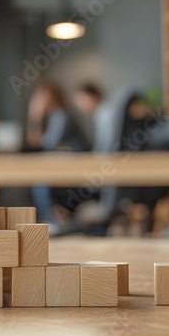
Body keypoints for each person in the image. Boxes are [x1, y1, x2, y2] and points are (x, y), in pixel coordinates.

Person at [26, 81, 103, 233]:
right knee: (40, 179)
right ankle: (55, 220)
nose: (37, 101)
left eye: (40, 97)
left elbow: (47, 142)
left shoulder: (60, 115)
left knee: (40, 181)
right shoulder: (58, 115)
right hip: (74, 166)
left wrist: (34, 117)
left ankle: (53, 220)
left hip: (80, 171)